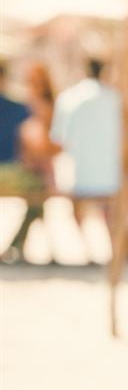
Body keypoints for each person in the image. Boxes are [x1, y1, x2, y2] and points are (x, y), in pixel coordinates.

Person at [50, 58, 122, 260]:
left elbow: (59, 138)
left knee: (80, 208)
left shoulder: (69, 98)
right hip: (111, 175)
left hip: (82, 175)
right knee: (109, 213)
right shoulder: (115, 98)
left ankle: (89, 250)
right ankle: (114, 250)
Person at [1, 62, 59, 264]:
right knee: (38, 191)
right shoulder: (20, 108)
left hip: (12, 172)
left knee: (38, 195)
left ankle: (16, 245)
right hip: (12, 173)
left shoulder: (21, 107)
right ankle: (17, 245)